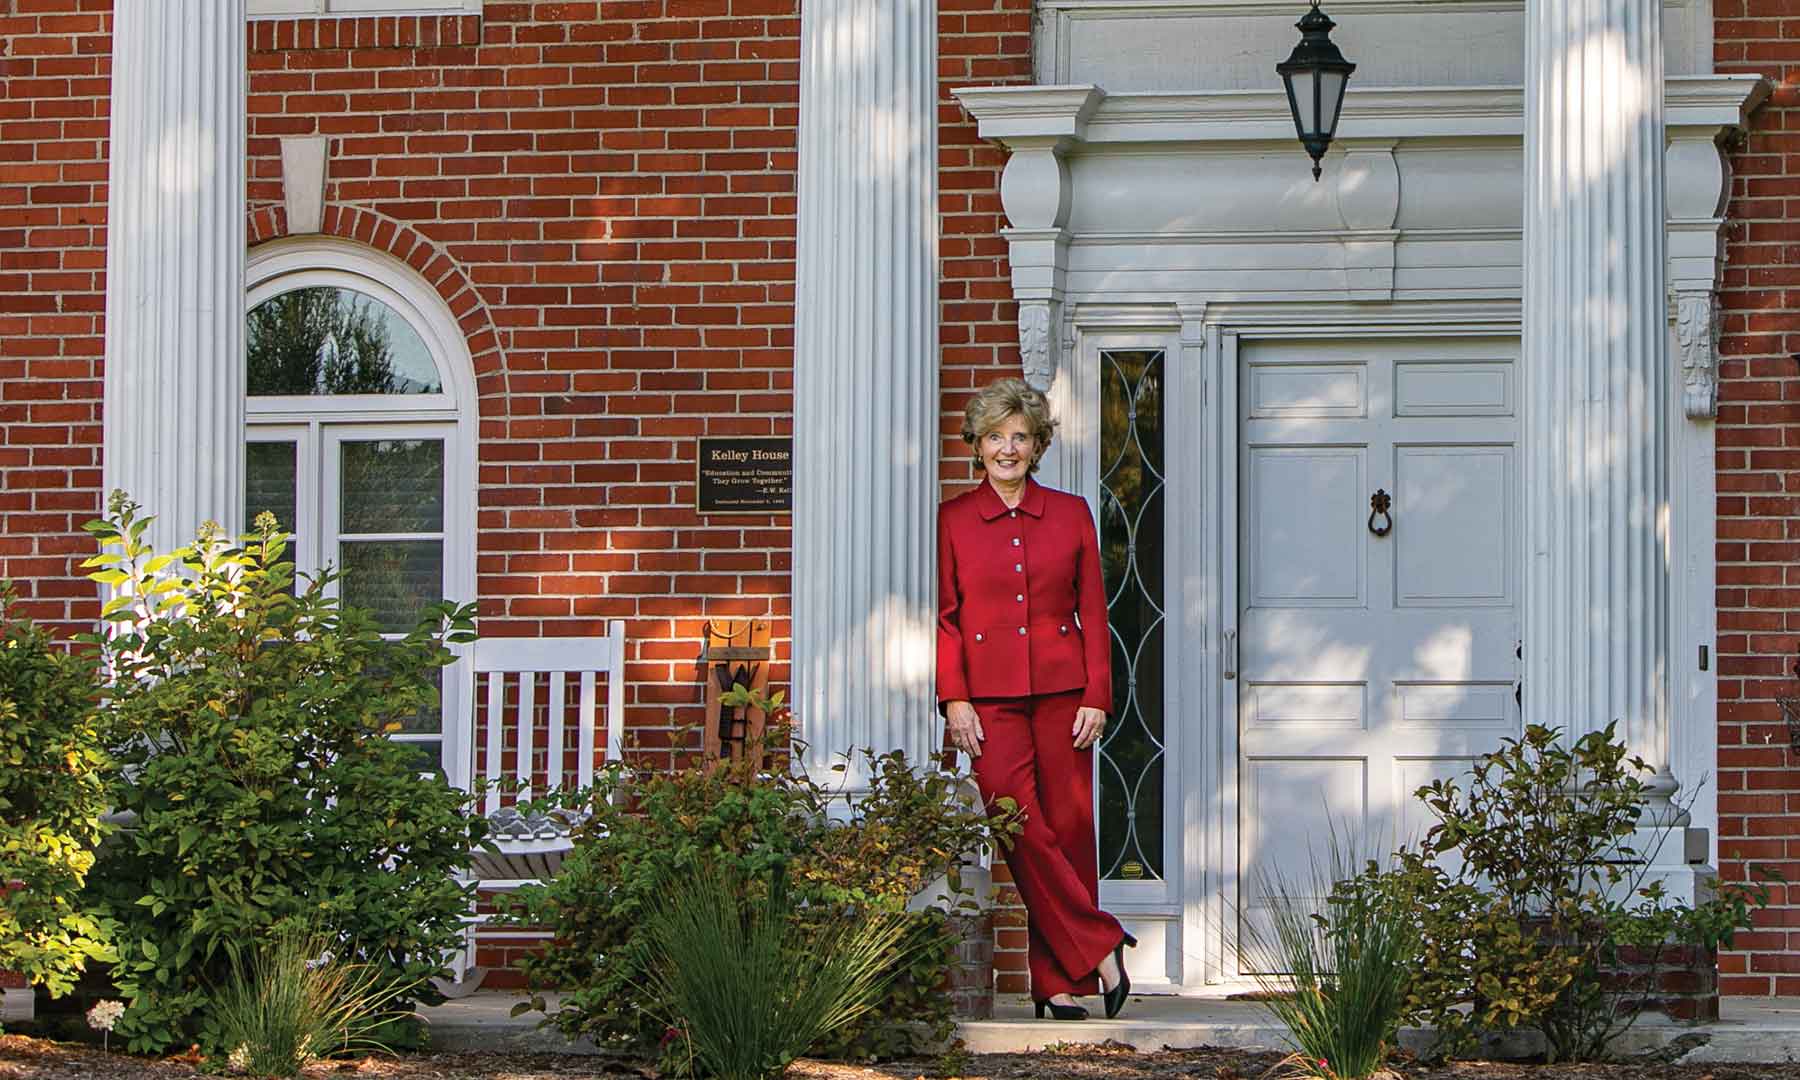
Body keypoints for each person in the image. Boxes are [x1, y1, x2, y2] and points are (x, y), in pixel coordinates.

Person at [936, 377, 1135, 1021]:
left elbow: (1094, 613)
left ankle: (1054, 983)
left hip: (1064, 694)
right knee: (1017, 825)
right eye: (995, 437)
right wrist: (954, 699)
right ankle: (1102, 945)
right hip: (988, 702)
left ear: (1038, 444)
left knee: (1069, 828)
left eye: (1019, 436)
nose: (1007, 448)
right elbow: (947, 618)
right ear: (977, 444)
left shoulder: (1072, 513)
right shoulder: (956, 519)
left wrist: (1098, 695)